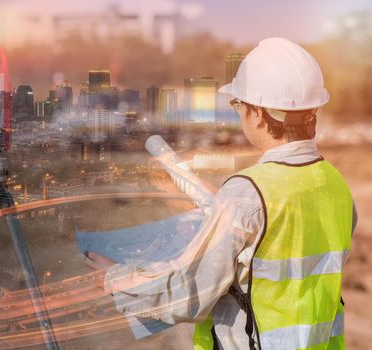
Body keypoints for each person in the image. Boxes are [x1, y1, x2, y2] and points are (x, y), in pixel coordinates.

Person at [84, 37, 358, 349]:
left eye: (238, 105)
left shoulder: (248, 194)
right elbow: (284, 246)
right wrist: (221, 212)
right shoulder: (335, 184)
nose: (239, 114)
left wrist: (118, 280)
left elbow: (190, 292)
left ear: (256, 112)